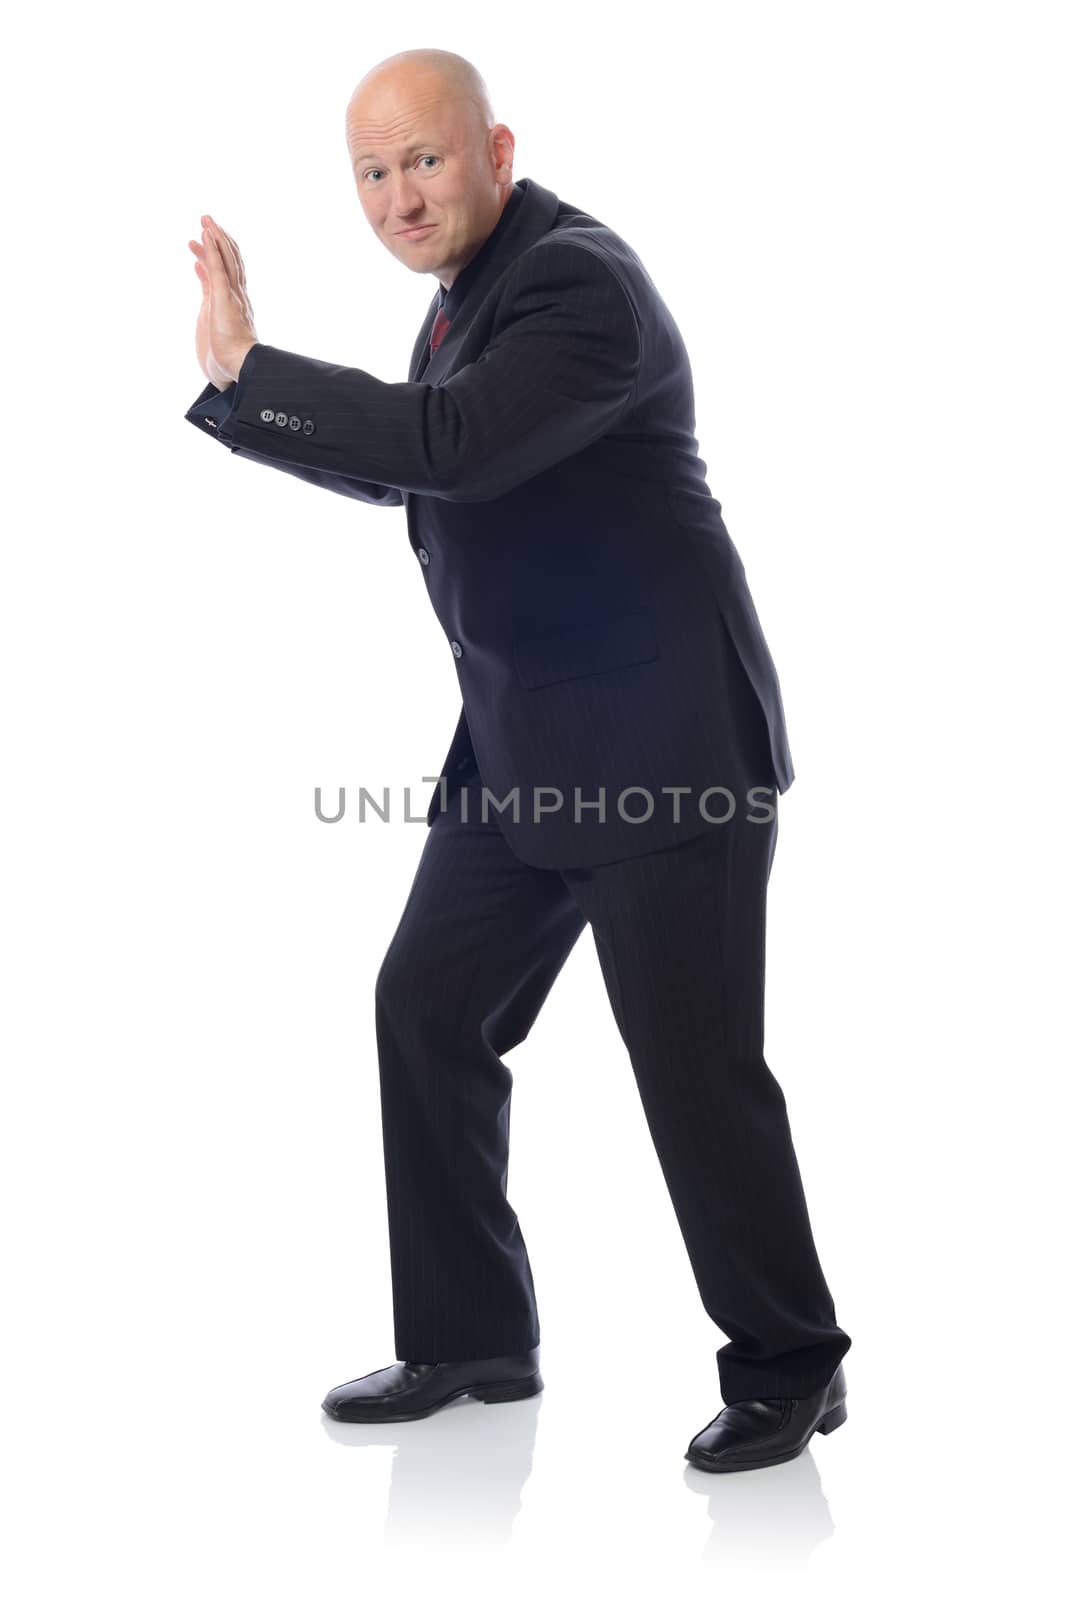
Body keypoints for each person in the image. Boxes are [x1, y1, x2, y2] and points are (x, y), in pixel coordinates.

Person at [185, 46, 852, 1472]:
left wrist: (258, 375)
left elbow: (458, 443)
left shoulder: (574, 283)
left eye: (422, 159)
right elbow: (421, 459)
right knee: (426, 1007)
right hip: (522, 737)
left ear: (495, 149)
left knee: (690, 1067)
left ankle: (792, 1363)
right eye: (370, 173)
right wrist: (247, 403)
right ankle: (471, 1336)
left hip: (662, 742)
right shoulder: (466, 301)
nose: (397, 195)